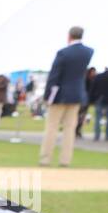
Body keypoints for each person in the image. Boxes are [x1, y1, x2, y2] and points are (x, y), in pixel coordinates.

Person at [38, 26, 94, 167]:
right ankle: (65, 160)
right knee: (70, 129)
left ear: (69, 36)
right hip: (76, 94)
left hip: (60, 95)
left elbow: (54, 76)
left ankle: (45, 158)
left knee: (52, 127)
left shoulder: (63, 53)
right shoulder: (88, 52)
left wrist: (48, 96)